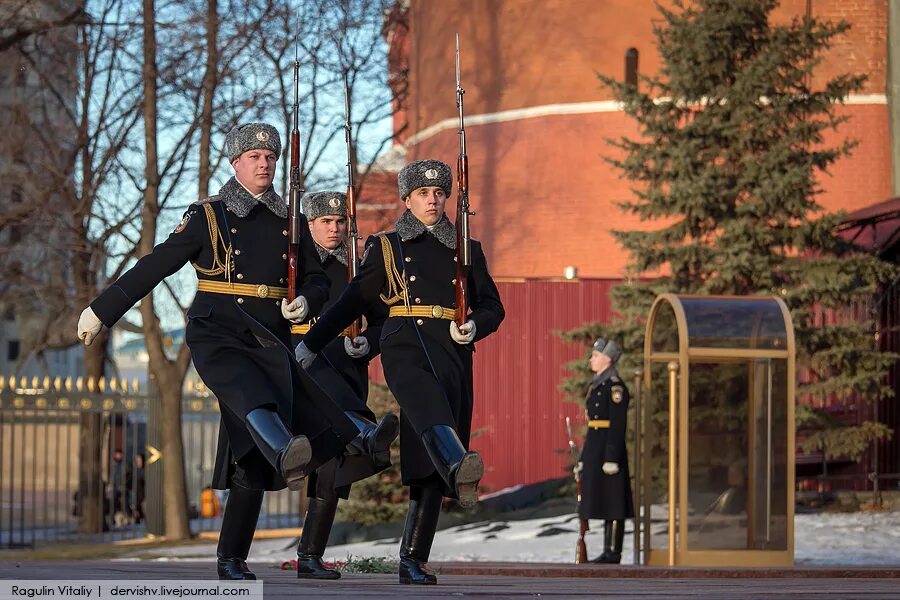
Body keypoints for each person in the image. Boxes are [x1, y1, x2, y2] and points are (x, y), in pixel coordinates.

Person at [76, 122, 397, 580]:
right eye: (254, 157)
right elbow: (157, 264)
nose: (264, 164)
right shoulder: (210, 215)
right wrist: (103, 310)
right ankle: (290, 447)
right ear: (235, 163)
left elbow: (318, 278)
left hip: (269, 338)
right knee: (253, 399)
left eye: (270, 157)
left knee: (251, 452)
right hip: (219, 333)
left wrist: (306, 299)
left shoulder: (289, 222)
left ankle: (232, 556)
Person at [295, 159, 505, 585]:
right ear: (407, 200)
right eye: (423, 194)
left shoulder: (468, 249)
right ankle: (457, 464)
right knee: (431, 416)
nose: (432, 199)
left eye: (439, 193)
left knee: (425, 451)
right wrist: (310, 344)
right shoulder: (388, 246)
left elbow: (493, 307)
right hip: (405, 342)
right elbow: (353, 300)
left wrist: (475, 326)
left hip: (453, 352)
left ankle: (412, 558)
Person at [292, 190, 397, 580]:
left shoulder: (356, 270)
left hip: (345, 370)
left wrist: (366, 343)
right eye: (325, 222)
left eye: (340, 222)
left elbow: (384, 321)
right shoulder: (291, 266)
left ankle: (310, 556)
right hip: (299, 367)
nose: (334, 229)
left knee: (332, 467)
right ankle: (363, 429)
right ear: (310, 225)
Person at [575, 337, 635, 564]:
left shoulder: (615, 387)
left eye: (596, 355)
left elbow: (618, 425)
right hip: (595, 446)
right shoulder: (598, 384)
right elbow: (592, 426)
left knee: (614, 500)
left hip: (610, 449)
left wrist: (611, 457)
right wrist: (584, 457)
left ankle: (613, 552)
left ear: (607, 359)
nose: (591, 359)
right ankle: (606, 550)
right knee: (599, 498)